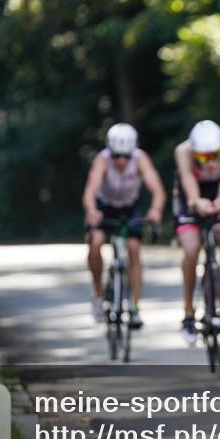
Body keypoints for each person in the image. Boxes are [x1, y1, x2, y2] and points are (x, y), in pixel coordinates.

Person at [82, 123, 165, 329]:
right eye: (116, 155)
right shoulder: (102, 160)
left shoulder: (140, 159)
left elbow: (157, 190)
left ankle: (135, 307)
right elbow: (90, 190)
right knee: (95, 244)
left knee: (134, 249)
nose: (120, 161)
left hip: (129, 207)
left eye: (125, 156)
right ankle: (99, 294)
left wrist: (155, 210)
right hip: (104, 206)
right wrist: (92, 211)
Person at [174, 120, 220, 344]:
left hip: (218, 192)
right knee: (192, 248)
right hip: (190, 195)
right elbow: (188, 182)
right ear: (194, 153)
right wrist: (196, 203)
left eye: (215, 155)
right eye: (203, 158)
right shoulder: (183, 152)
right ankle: (188, 313)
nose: (211, 162)